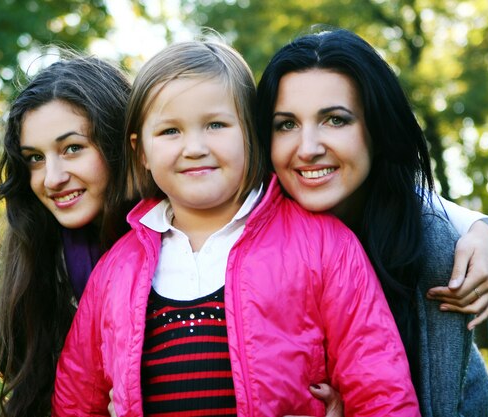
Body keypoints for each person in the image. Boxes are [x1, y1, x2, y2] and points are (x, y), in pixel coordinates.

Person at [52, 39, 421, 416]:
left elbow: (381, 390)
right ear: (141, 151)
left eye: (216, 124)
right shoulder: (116, 270)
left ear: (251, 134)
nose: (194, 147)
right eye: (170, 132)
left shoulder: (325, 245)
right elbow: (76, 400)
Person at [256, 28, 488, 415]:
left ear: (377, 129)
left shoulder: (434, 254)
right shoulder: (232, 243)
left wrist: (484, 230)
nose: (308, 148)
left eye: (335, 120)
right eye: (286, 124)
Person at [0, 54, 135, 417]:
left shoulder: (184, 239)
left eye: (72, 148)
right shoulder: (40, 259)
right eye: (35, 158)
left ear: (121, 144)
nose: (51, 178)